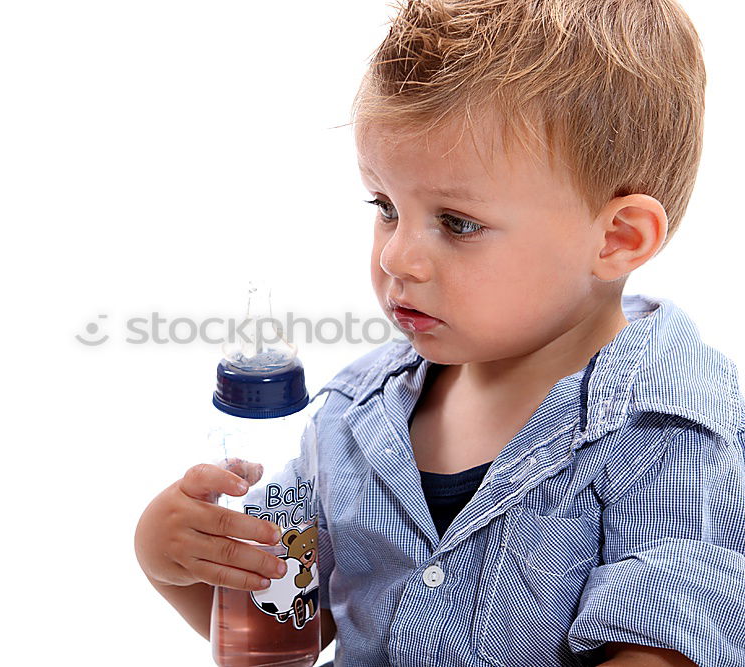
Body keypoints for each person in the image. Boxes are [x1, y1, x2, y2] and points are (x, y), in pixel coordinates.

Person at [134, 1, 744, 665]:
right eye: (386, 207)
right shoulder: (353, 417)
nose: (397, 257)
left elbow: (666, 646)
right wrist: (178, 560)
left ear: (618, 238)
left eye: (456, 222)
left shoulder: (672, 434)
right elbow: (286, 621)